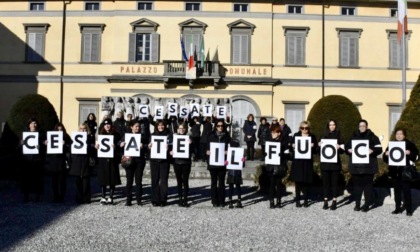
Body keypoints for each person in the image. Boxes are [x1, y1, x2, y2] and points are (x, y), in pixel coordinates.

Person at [345, 119, 382, 212]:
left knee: (367, 186)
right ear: (358, 127)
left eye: (364, 126)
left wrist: (372, 150)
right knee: (357, 186)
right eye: (360, 126)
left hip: (369, 166)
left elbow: (379, 149)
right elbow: (346, 147)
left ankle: (366, 205)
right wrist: (348, 150)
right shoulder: (353, 136)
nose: (362, 127)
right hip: (356, 166)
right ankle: (357, 204)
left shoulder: (373, 137)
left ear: (367, 127)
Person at [383, 128, 418, 216]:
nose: (398, 135)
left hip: (405, 172)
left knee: (407, 191)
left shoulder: (409, 144)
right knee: (396, 191)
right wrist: (385, 154)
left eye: (400, 134)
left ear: (404, 135)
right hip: (395, 171)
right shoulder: (392, 145)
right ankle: (398, 208)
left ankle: (409, 210)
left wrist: (410, 153)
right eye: (397, 134)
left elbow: (417, 156)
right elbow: (385, 159)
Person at [290, 121, 318, 208]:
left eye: (306, 128)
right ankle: (298, 199)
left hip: (307, 161)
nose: (304, 130)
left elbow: (316, 150)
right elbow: (290, 147)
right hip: (298, 161)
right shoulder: (296, 136)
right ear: (300, 128)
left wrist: (313, 146)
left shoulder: (312, 137)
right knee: (298, 181)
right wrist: (292, 146)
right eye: (302, 128)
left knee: (306, 181)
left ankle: (306, 199)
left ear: (309, 128)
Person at [318, 120, 344, 210]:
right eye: (330, 125)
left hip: (335, 164)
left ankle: (334, 201)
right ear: (328, 126)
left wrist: (339, 147)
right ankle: (325, 201)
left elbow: (343, 150)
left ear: (336, 126)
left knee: (334, 183)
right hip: (325, 163)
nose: (332, 126)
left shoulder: (339, 135)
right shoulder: (323, 135)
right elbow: (318, 150)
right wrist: (319, 145)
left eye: (333, 125)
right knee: (325, 183)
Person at [96, 119, 122, 205]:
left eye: (109, 124)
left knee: (112, 178)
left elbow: (120, 146)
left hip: (112, 159)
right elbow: (97, 146)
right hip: (103, 159)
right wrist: (97, 146)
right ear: (103, 126)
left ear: (111, 125)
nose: (107, 126)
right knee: (103, 178)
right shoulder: (101, 135)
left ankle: (111, 196)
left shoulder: (116, 135)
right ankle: (103, 196)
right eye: (105, 125)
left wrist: (116, 146)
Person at [121, 120, 147, 206]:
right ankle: (129, 199)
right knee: (129, 181)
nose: (137, 128)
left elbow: (148, 146)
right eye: (136, 126)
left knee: (138, 181)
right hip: (129, 160)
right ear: (131, 127)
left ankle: (139, 199)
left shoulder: (143, 136)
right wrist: (120, 144)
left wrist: (144, 146)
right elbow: (119, 143)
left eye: (139, 126)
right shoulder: (126, 136)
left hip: (139, 160)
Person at [206, 119, 231, 207]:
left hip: (222, 163)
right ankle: (214, 201)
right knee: (213, 183)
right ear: (215, 126)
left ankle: (221, 201)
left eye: (221, 126)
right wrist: (207, 152)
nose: (220, 127)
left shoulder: (227, 137)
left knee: (221, 183)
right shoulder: (211, 135)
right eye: (218, 126)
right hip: (213, 163)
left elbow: (231, 148)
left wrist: (228, 152)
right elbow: (205, 147)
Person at [20, 118, 45, 202]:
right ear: (29, 125)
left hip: (37, 160)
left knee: (37, 178)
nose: (33, 125)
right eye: (32, 123)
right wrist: (21, 143)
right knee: (26, 178)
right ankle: (26, 196)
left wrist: (41, 146)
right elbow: (18, 147)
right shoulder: (24, 135)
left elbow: (44, 146)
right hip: (26, 160)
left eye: (35, 123)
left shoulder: (41, 135)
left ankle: (37, 196)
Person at [44, 122, 71, 203]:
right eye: (58, 129)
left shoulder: (66, 137)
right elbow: (46, 150)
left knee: (62, 180)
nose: (59, 131)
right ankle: (55, 196)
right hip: (53, 161)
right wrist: (45, 143)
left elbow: (70, 148)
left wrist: (65, 144)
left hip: (62, 161)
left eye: (61, 129)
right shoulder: (51, 137)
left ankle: (62, 195)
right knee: (54, 180)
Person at [69, 123, 95, 204]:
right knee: (77, 182)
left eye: (84, 129)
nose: (83, 130)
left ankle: (87, 198)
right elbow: (70, 150)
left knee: (86, 182)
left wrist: (92, 147)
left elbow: (92, 152)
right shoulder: (74, 139)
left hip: (86, 161)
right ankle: (79, 198)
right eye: (81, 128)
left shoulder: (90, 139)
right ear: (78, 129)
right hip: (76, 161)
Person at [148, 120, 172, 207]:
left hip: (164, 161)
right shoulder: (152, 135)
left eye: (162, 125)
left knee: (164, 180)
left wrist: (169, 147)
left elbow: (172, 147)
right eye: (159, 125)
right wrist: (149, 146)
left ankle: (163, 199)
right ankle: (155, 199)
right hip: (154, 160)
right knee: (154, 180)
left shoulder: (169, 135)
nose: (160, 127)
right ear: (156, 126)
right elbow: (149, 147)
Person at [265, 125, 289, 208]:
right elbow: (265, 152)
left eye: (274, 132)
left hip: (280, 165)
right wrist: (265, 154)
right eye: (272, 132)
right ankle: (271, 201)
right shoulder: (269, 140)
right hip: (271, 166)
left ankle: (278, 201)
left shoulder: (284, 141)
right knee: (271, 184)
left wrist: (282, 155)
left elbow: (287, 154)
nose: (272, 134)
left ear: (279, 133)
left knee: (279, 184)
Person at [171, 123, 192, 207]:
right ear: (177, 129)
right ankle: (180, 199)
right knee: (179, 181)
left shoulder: (189, 138)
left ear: (185, 129)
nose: (181, 130)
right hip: (177, 162)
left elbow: (194, 151)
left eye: (183, 128)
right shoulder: (174, 138)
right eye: (180, 128)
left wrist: (191, 144)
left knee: (185, 181)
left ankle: (185, 199)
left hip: (186, 162)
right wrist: (171, 152)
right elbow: (170, 149)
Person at [226, 140, 245, 209]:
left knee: (232, 187)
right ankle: (238, 200)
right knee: (237, 187)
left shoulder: (229, 153)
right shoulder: (240, 153)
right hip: (237, 172)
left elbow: (242, 165)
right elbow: (243, 165)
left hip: (231, 172)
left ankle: (231, 201)